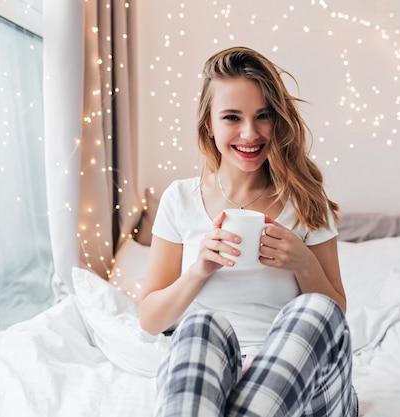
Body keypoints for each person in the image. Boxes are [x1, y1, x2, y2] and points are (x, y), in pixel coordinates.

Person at [138, 46, 358, 417]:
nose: (250, 133)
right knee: (200, 324)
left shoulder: (306, 200)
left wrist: (304, 264)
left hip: (304, 384)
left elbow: (334, 316)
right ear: (209, 124)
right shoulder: (180, 198)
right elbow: (151, 321)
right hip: (215, 377)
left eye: (263, 116)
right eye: (232, 117)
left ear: (278, 120)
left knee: (314, 309)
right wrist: (199, 269)